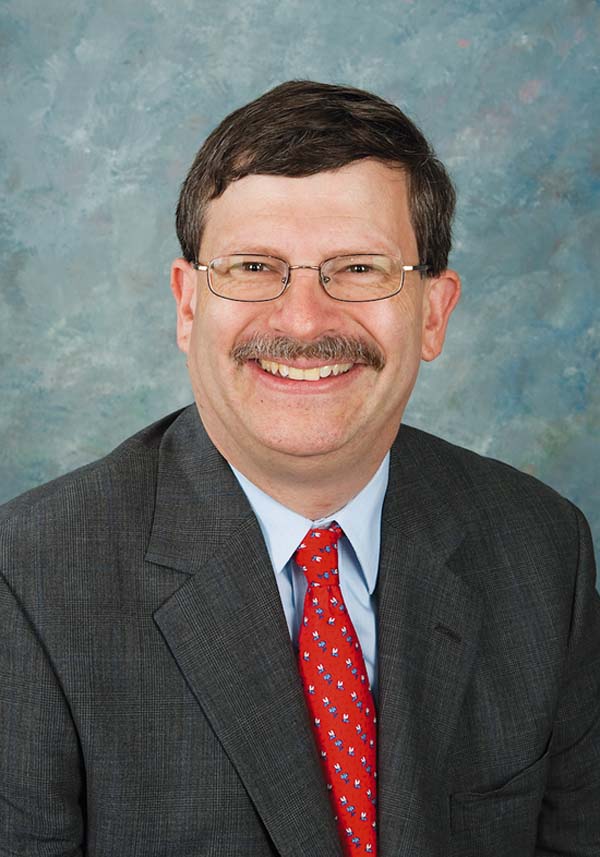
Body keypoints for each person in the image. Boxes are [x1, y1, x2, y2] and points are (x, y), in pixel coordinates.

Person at [0, 80, 598, 857]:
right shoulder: (31, 581)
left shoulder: (543, 550)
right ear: (188, 305)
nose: (305, 320)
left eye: (359, 268)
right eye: (254, 265)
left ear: (434, 312)